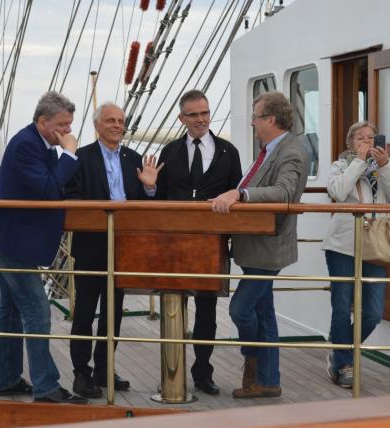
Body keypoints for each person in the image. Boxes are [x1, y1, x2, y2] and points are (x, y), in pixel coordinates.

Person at [0, 91, 87, 404]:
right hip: (13, 242)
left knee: (10, 311)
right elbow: (49, 188)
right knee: (37, 310)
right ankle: (46, 386)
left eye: (69, 124)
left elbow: (55, 186)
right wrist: (70, 154)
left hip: (14, 240)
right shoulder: (26, 145)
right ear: (43, 122)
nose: (68, 130)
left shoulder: (41, 144)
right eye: (63, 125)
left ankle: (7, 380)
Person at [211, 91, 310, 398]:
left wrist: (240, 194)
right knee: (264, 313)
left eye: (255, 117)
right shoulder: (269, 149)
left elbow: (284, 192)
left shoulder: (291, 151)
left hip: (269, 246)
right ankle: (268, 381)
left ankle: (252, 358)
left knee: (240, 310)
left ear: (271, 119)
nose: (252, 123)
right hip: (254, 245)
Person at [66, 102, 162, 399]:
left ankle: (104, 367)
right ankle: (81, 373)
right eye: (111, 120)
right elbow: (72, 197)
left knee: (113, 312)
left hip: (124, 247)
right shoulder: (81, 158)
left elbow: (144, 204)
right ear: (97, 125)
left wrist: (149, 188)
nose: (117, 125)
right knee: (84, 311)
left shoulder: (134, 159)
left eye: (121, 121)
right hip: (91, 245)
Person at [156, 89, 242, 395]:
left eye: (204, 113)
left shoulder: (228, 152)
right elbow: (160, 196)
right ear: (182, 118)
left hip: (211, 242)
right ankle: (172, 369)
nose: (200, 119)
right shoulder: (169, 152)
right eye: (193, 115)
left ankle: (203, 371)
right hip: (175, 241)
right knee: (173, 305)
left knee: (207, 309)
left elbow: (236, 194)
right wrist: (150, 189)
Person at [322, 121, 390, 389]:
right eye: (361, 138)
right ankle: (344, 365)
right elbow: (338, 191)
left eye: (371, 137)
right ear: (350, 143)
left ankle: (339, 351)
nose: (367, 142)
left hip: (375, 248)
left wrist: (384, 166)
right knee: (341, 308)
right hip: (342, 246)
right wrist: (359, 161)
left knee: (372, 312)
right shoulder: (340, 165)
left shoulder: (387, 166)